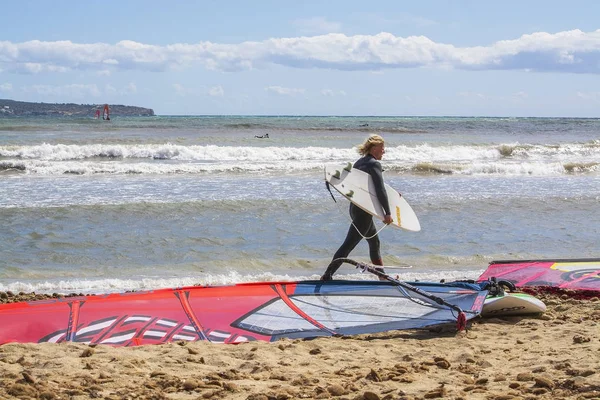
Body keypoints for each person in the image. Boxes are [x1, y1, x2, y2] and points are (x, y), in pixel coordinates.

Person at [321, 134, 393, 281]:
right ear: (374, 148)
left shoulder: (359, 163)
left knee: (374, 242)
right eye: (382, 148)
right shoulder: (374, 164)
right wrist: (387, 213)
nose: (384, 151)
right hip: (364, 213)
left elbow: (362, 188)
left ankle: (382, 276)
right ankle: (327, 275)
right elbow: (380, 190)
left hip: (355, 208)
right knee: (348, 245)